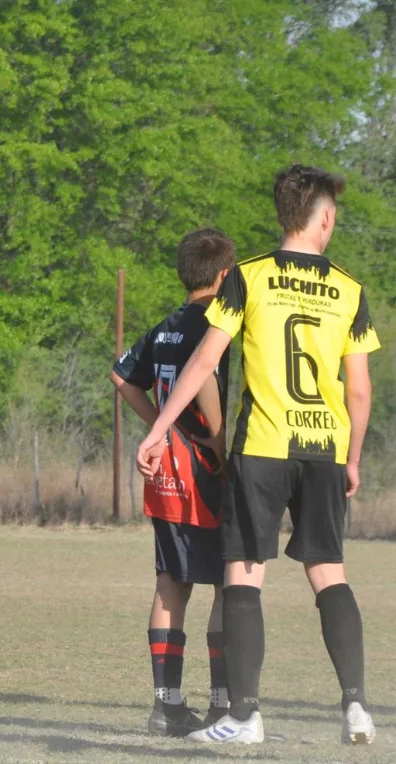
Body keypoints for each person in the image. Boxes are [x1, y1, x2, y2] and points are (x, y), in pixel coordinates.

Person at [136, 165, 380, 745]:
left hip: (264, 447)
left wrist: (158, 429)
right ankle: (356, 706)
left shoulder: (249, 276)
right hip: (322, 449)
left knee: (244, 575)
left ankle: (244, 718)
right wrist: (352, 457)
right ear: (324, 218)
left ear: (282, 217)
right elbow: (361, 390)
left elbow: (203, 363)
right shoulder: (349, 289)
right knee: (330, 575)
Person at [111, 228, 236, 736]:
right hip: (205, 470)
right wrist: (218, 445)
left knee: (171, 584)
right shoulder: (219, 320)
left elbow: (121, 376)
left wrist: (158, 425)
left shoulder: (165, 325)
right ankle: (224, 705)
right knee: (230, 585)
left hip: (165, 473)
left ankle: (167, 705)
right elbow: (204, 377)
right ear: (225, 276)